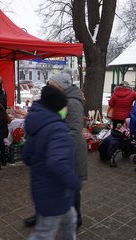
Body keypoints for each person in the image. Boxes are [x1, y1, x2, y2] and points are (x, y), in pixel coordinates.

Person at [22, 85, 82, 240]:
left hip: (42, 188)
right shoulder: (58, 129)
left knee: (70, 219)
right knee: (44, 233)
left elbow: (26, 156)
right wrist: (75, 182)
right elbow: (58, 163)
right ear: (58, 108)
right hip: (55, 192)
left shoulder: (36, 123)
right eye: (64, 107)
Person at [42, 70, 87, 227]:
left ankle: (76, 218)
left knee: (71, 187)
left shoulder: (73, 103)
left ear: (60, 86)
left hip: (70, 152)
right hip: (64, 150)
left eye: (53, 86)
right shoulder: (65, 100)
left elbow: (73, 132)